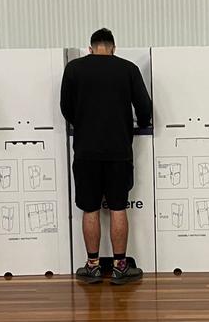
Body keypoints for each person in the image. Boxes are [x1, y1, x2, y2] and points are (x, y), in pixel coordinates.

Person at [60, 28, 152, 285]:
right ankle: (121, 267)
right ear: (113, 48)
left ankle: (93, 266)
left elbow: (65, 106)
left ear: (90, 48)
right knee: (118, 207)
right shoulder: (127, 68)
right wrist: (141, 123)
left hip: (86, 150)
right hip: (118, 150)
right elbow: (144, 106)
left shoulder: (74, 69)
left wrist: (82, 123)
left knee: (89, 208)